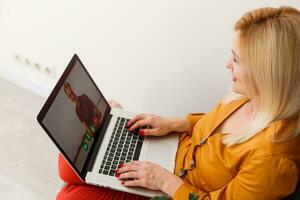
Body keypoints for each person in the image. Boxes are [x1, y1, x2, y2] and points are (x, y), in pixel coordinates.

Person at [57, 6, 300, 200]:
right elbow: (215, 128)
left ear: (267, 74)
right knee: (68, 167)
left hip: (178, 187)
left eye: (236, 60)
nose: (227, 64)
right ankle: (110, 126)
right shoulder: (251, 96)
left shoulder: (272, 160)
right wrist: (175, 123)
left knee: (70, 193)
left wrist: (162, 181)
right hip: (174, 152)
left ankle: (108, 131)